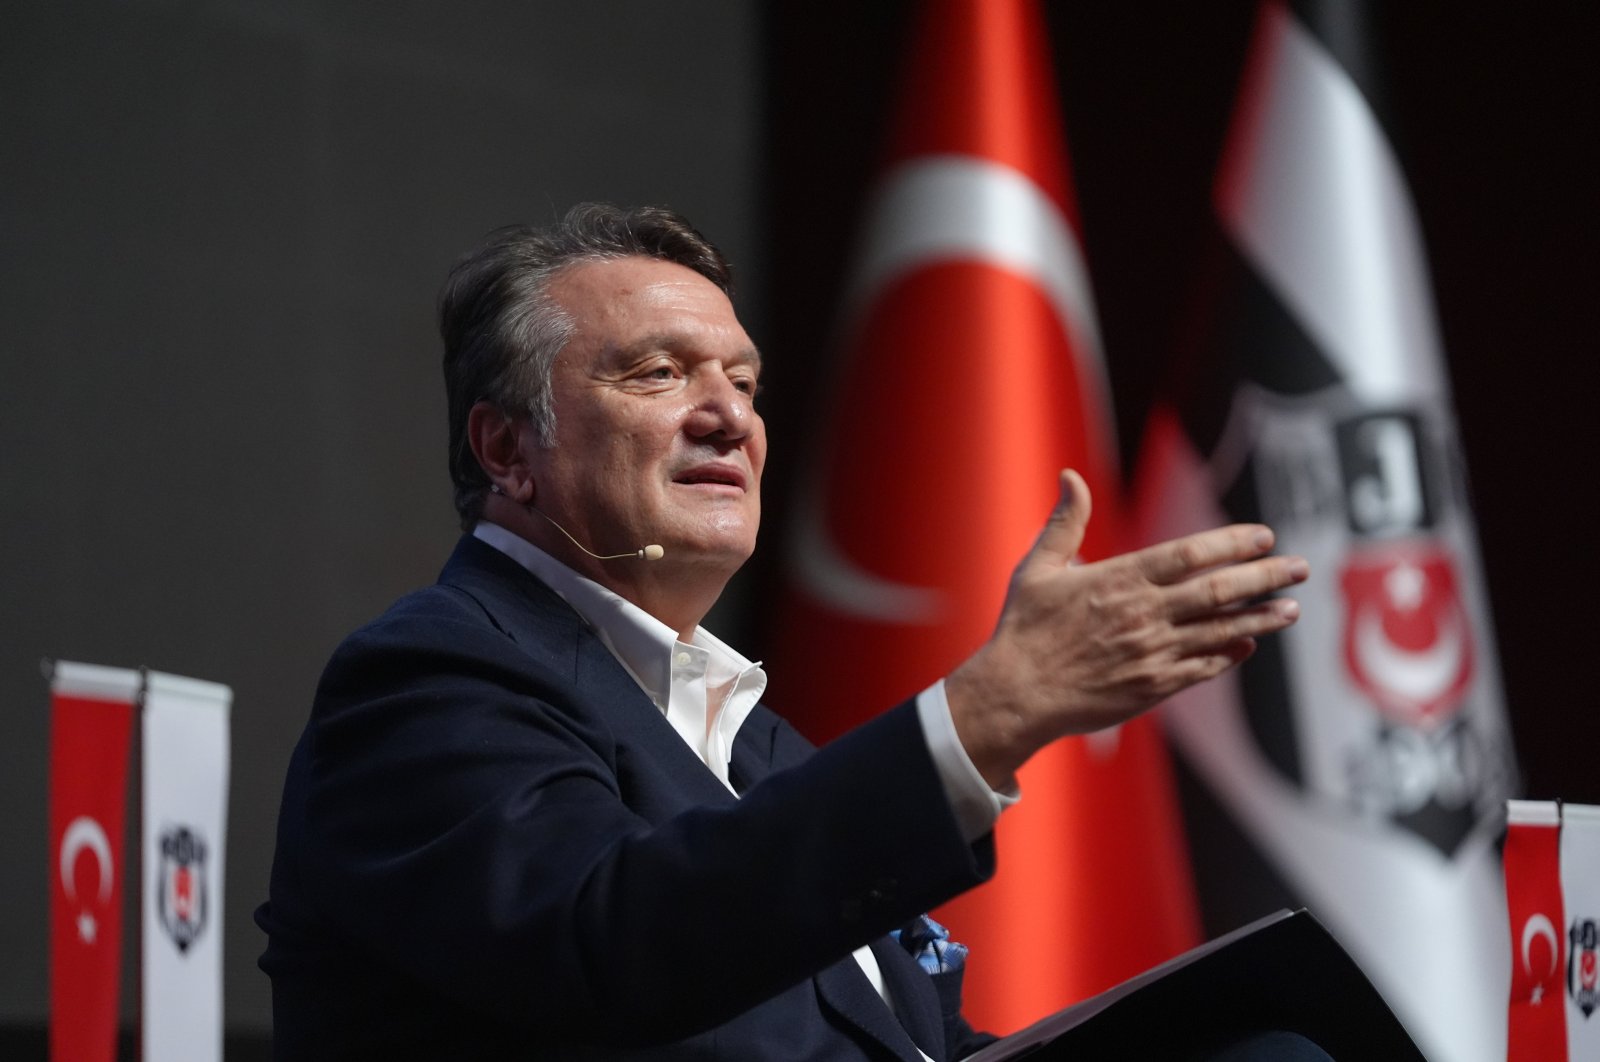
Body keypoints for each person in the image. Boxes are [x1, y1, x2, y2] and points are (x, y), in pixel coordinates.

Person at [256, 204, 1315, 1060]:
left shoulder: (757, 747)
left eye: (744, 383)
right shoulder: (426, 683)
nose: (730, 416)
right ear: (507, 450)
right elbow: (617, 945)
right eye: (658, 373)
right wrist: (983, 716)